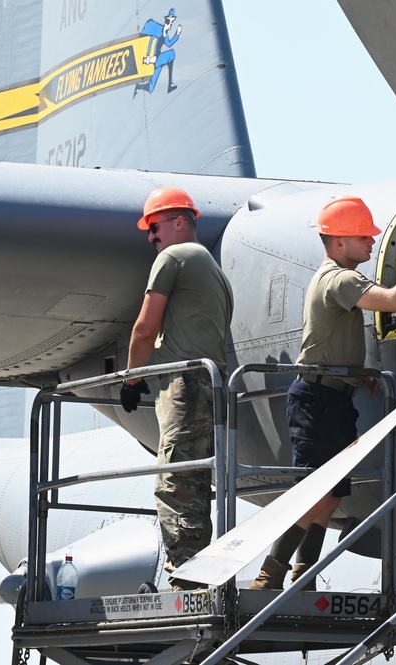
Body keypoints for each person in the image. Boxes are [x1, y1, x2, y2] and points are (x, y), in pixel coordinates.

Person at [250, 194, 396, 590]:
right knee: (312, 493)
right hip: (318, 400)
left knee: (332, 495)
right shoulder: (339, 278)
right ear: (339, 242)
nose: (372, 243)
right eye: (364, 238)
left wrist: (358, 374)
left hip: (333, 396)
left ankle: (303, 574)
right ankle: (268, 577)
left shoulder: (334, 278)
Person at [119, 186, 234, 591]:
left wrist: (132, 378)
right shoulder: (215, 273)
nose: (150, 236)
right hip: (212, 386)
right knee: (197, 483)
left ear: (180, 221)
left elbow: (145, 328)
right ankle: (201, 575)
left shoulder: (173, 257)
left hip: (185, 387)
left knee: (175, 482)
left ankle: (187, 579)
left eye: (155, 226)